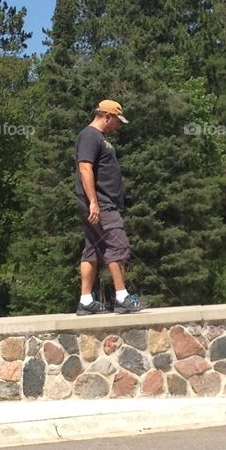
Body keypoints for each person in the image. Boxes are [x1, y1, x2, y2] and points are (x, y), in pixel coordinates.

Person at [74, 99, 149, 315]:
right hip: (101, 203)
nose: (118, 126)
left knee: (92, 249)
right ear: (107, 117)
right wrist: (94, 202)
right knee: (118, 246)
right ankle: (122, 298)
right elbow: (85, 168)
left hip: (98, 203)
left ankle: (85, 300)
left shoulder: (98, 138)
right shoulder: (90, 135)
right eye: (117, 121)